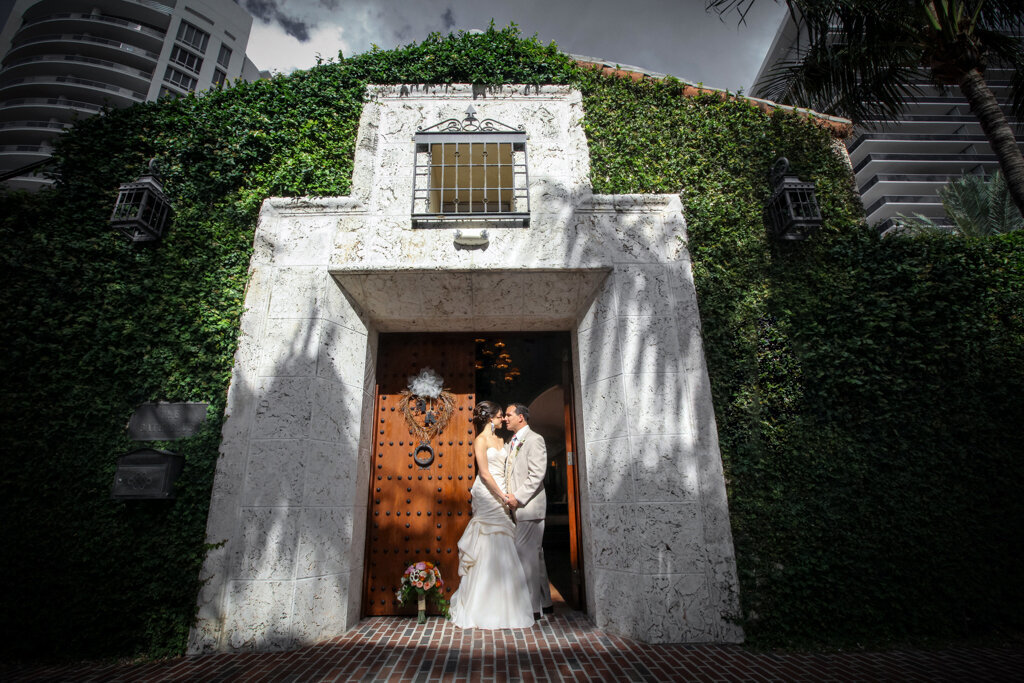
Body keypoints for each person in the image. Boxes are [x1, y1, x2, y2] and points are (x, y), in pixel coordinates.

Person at [448, 401, 534, 629]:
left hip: (502, 492)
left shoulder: (502, 440)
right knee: (487, 541)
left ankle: (506, 604)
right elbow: (485, 473)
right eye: (499, 416)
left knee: (504, 542)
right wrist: (502, 495)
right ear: (489, 418)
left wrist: (508, 492)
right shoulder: (481, 440)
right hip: (487, 494)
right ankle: (480, 605)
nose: (503, 419)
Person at [503, 403, 553, 619]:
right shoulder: (511, 441)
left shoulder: (534, 439)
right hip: (518, 509)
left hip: (529, 507)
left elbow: (537, 474)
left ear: (521, 417)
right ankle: (546, 602)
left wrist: (518, 497)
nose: (505, 418)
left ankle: (532, 610)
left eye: (508, 415)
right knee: (536, 556)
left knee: (526, 558)